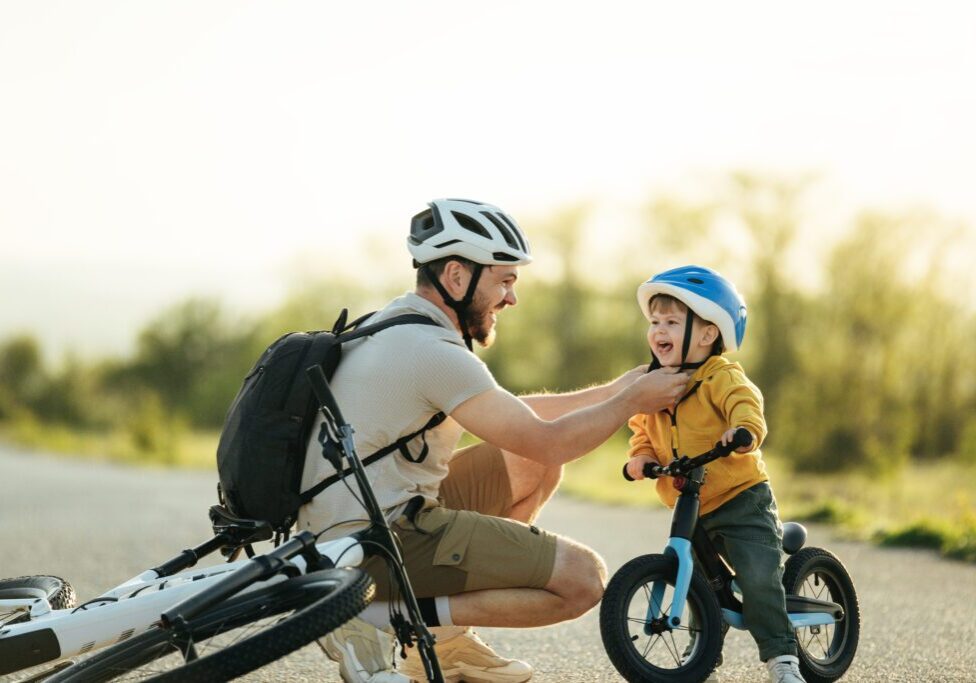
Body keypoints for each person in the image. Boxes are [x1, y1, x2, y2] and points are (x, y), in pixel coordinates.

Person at [297, 198, 688, 683]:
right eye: (504, 281)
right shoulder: (434, 351)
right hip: (377, 541)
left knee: (531, 465)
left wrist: (616, 391)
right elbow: (549, 440)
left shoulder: (396, 323)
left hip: (342, 527)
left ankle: (444, 645)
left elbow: (517, 422)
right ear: (457, 277)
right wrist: (630, 403)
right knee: (583, 581)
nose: (511, 299)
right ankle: (382, 616)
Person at [624, 265, 804, 683]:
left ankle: (782, 657)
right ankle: (702, 650)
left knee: (758, 577)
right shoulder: (654, 384)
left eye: (671, 321)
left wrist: (743, 432)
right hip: (690, 500)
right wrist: (641, 458)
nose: (658, 331)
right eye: (654, 322)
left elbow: (746, 404)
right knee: (697, 584)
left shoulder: (720, 376)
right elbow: (641, 430)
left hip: (741, 497)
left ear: (707, 334)